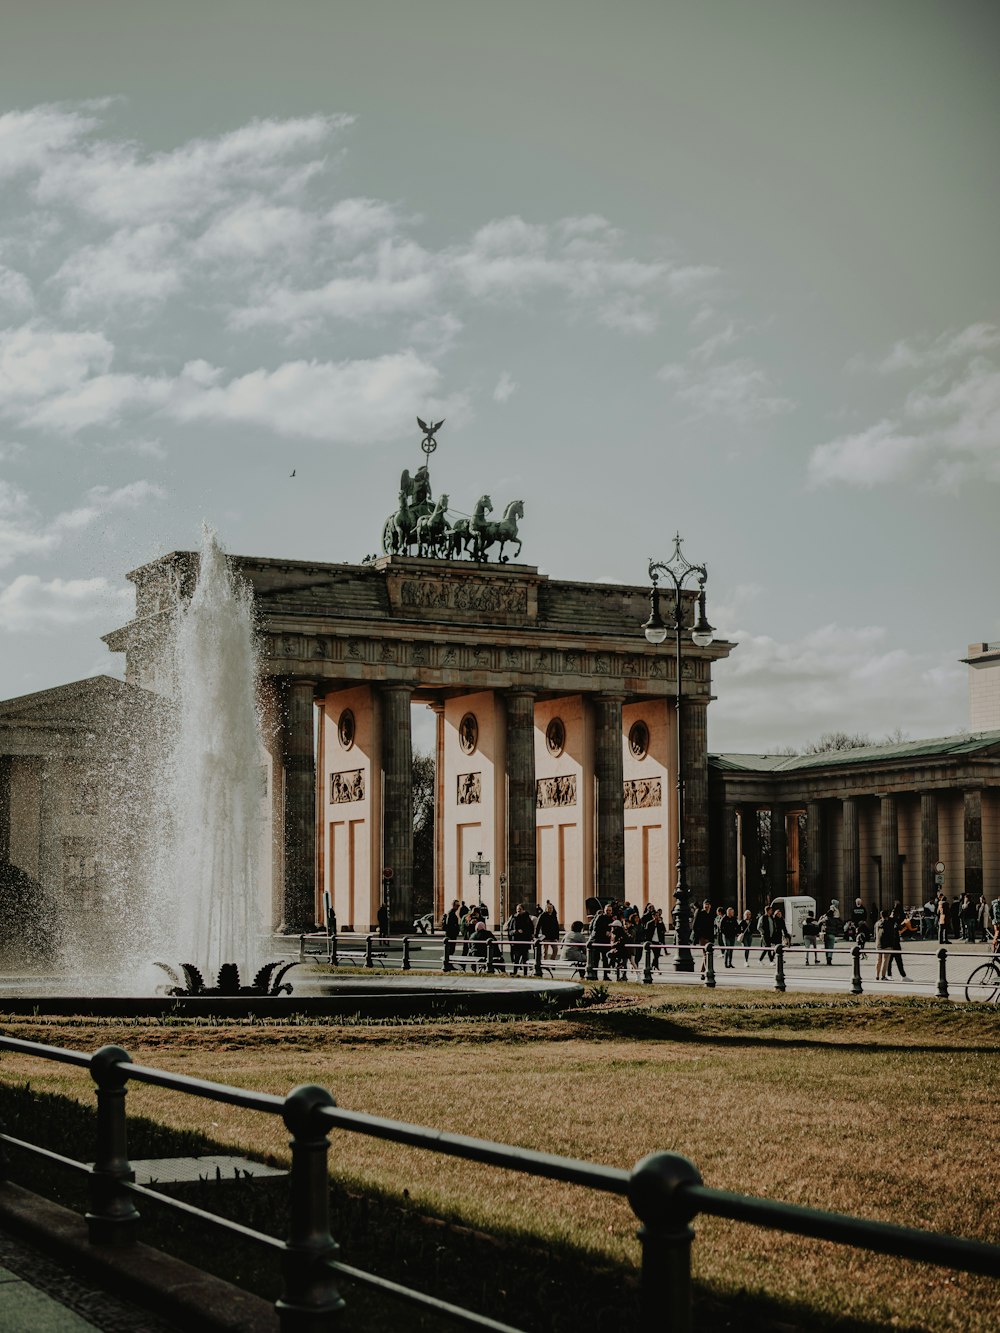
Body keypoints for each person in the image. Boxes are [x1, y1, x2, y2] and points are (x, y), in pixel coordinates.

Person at [691, 899, 715, 976]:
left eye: (708, 904)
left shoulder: (711, 914)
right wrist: (700, 936)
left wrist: (712, 938)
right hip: (703, 937)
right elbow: (694, 926)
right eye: (705, 904)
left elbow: (711, 927)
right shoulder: (700, 913)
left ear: (710, 906)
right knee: (706, 955)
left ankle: (704, 970)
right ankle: (705, 971)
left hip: (709, 938)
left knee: (708, 955)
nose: (706, 906)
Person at [510, 902, 533, 976]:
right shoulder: (513, 918)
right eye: (517, 909)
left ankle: (525, 973)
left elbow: (531, 929)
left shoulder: (527, 918)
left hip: (525, 941)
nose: (518, 910)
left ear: (523, 910)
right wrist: (515, 931)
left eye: (520, 909)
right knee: (516, 958)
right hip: (516, 941)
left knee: (525, 958)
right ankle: (515, 972)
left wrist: (525, 932)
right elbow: (510, 930)